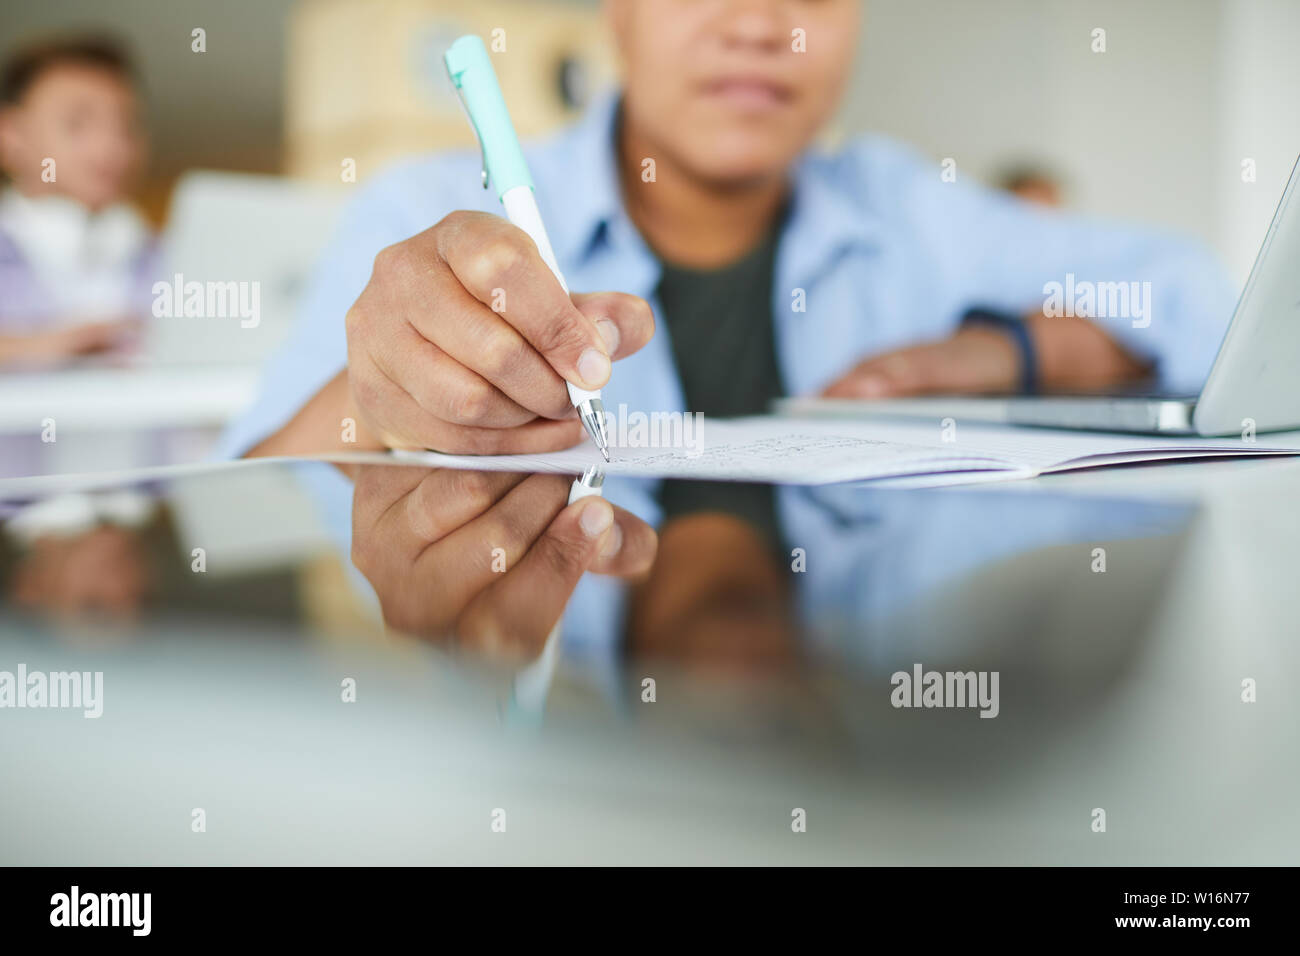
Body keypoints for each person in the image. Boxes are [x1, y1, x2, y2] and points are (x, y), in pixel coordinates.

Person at [223, 0, 1236, 655]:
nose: (760, 22)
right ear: (614, 15)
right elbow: (247, 496)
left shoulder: (907, 206)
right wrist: (386, 393)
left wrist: (1014, 349)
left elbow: (1194, 294)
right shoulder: (426, 214)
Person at [0, 35, 152, 368]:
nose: (110, 147)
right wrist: (32, 349)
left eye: (125, 125)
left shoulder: (174, 258)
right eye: (77, 123)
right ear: (10, 136)